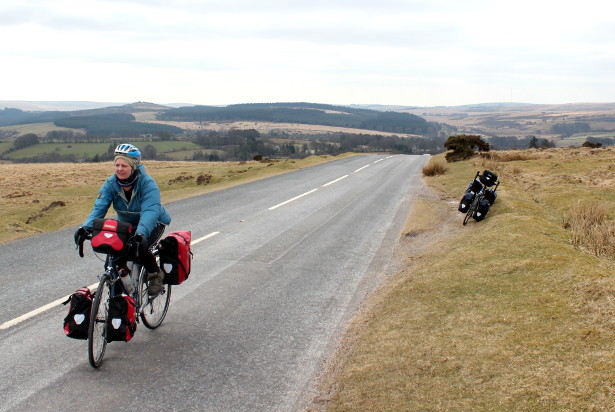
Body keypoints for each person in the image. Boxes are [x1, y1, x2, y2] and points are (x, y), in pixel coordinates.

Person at [74, 143, 171, 296]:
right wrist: (86, 227)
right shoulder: (111, 184)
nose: (119, 169)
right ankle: (120, 292)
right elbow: (99, 207)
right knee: (114, 254)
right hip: (126, 224)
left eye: (124, 165)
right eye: (117, 165)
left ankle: (155, 273)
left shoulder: (147, 184)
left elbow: (150, 211)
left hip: (153, 222)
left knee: (139, 248)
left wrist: (141, 234)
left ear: (133, 166)